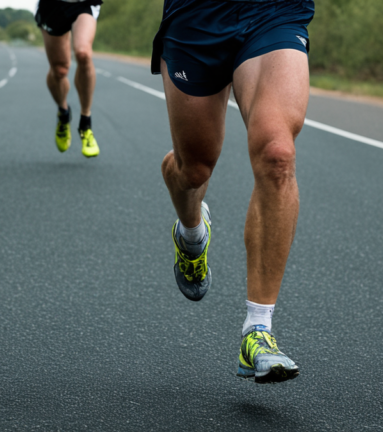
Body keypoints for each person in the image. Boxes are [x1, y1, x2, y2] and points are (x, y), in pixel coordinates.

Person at [152, 0, 314, 384]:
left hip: (274, 12)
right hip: (196, 17)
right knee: (193, 169)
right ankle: (191, 233)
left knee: (278, 155)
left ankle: (258, 330)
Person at [35, 0, 102, 158]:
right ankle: (64, 113)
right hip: (52, 6)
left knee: (83, 53)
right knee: (59, 70)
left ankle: (85, 123)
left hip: (84, 3)